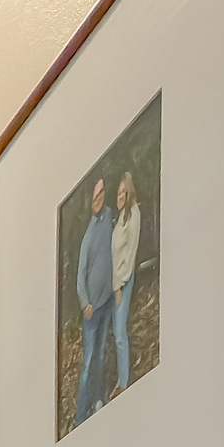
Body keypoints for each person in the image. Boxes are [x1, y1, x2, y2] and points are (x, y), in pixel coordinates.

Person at [72, 178, 116, 422]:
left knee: (100, 353)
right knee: (88, 362)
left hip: (107, 300)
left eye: (101, 196)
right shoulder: (87, 237)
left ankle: (98, 398)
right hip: (91, 309)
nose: (98, 201)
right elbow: (80, 275)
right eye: (95, 198)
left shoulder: (110, 216)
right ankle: (81, 414)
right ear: (91, 202)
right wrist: (84, 303)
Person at [104, 172, 143, 401]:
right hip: (114, 283)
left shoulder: (133, 214)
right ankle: (121, 378)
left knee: (120, 333)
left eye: (123, 192)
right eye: (118, 193)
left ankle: (124, 383)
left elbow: (129, 254)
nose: (119, 196)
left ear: (129, 193)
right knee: (115, 332)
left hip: (123, 282)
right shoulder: (119, 219)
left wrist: (119, 286)